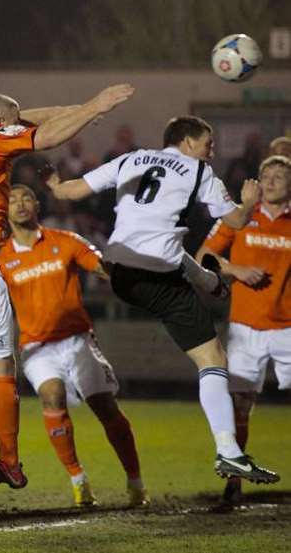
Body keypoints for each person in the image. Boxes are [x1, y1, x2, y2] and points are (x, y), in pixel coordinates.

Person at [0, 85, 135, 485]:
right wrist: (96, 104)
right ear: (1, 125)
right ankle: (10, 461)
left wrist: (78, 106)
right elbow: (43, 136)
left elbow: (22, 117)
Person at [45, 115, 280, 484]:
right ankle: (229, 452)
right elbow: (234, 222)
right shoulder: (199, 172)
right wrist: (249, 203)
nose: (212, 150)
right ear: (187, 142)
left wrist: (55, 184)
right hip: (155, 273)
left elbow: (71, 192)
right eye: (208, 142)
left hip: (120, 272)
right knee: (213, 359)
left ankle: (207, 281)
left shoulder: (131, 159)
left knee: (170, 246)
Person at [0, 184, 147, 507]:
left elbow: (100, 266)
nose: (20, 204)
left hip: (77, 340)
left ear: (37, 205)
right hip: (37, 348)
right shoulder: (1, 258)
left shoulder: (65, 241)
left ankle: (135, 481)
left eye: (26, 198)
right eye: (12, 200)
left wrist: (124, 272)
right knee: (52, 397)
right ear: (4, 210)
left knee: (105, 408)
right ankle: (78, 479)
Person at [197, 154, 290, 504]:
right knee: (239, 403)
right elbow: (203, 255)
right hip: (244, 328)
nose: (271, 181)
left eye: (280, 175)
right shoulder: (239, 217)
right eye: (266, 174)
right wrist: (234, 269)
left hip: (288, 328)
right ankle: (235, 481)